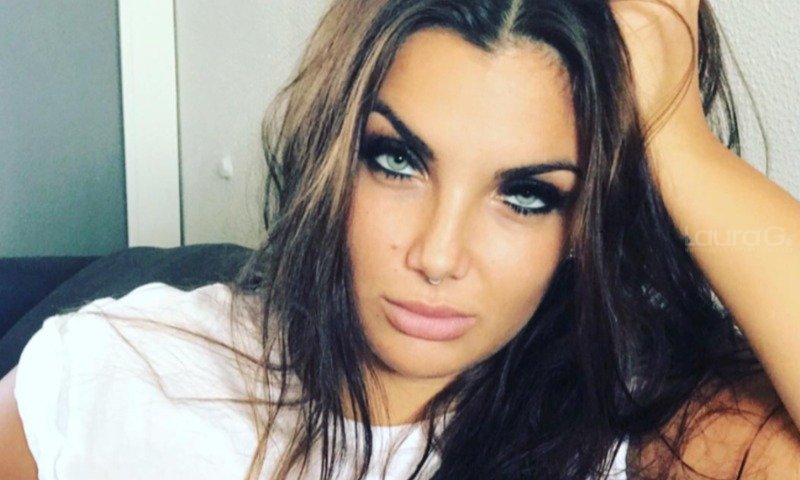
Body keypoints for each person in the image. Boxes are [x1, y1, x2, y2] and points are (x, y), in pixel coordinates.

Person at [2, 0, 800, 478]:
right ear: (335, 155)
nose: (438, 255)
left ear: (583, 228)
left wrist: (679, 146)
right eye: (396, 161)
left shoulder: (649, 439)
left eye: (527, 196)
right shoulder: (116, 369)